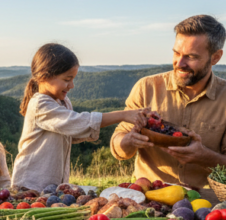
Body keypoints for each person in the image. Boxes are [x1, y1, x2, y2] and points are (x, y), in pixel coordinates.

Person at [110, 15, 226, 199]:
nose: (180, 63)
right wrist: (130, 140)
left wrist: (204, 157)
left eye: (191, 57)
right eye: (176, 53)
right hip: (150, 196)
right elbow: (117, 146)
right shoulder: (146, 88)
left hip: (205, 200)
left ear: (215, 57)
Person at [11, 43, 152, 191]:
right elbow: (77, 123)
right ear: (44, 76)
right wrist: (122, 115)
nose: (71, 85)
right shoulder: (39, 104)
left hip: (50, 186)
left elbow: (71, 133)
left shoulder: (63, 102)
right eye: (67, 79)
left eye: (73, 79)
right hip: (29, 185)